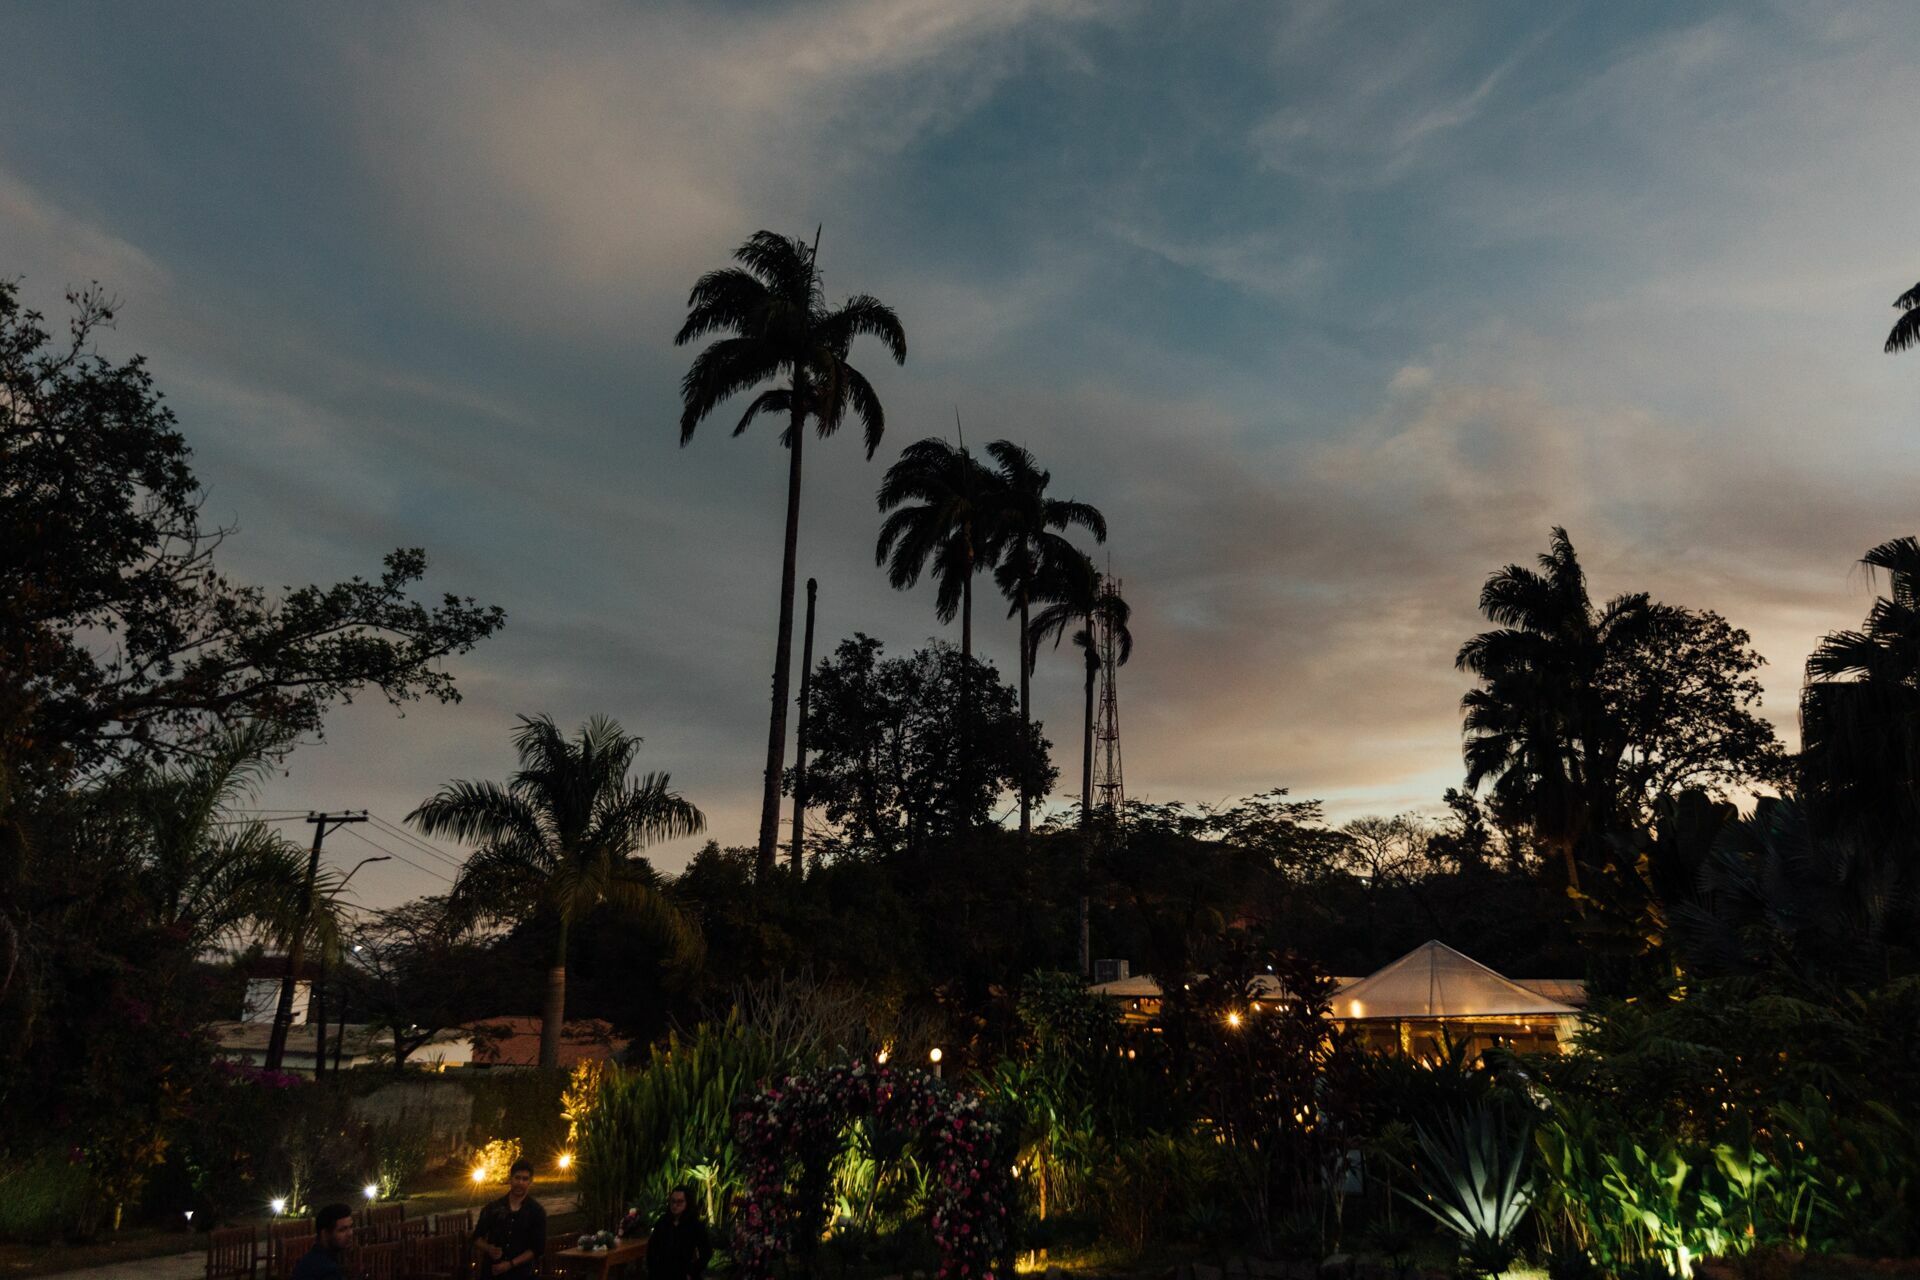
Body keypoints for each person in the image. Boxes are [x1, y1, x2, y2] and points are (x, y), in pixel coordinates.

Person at [473, 1159, 547, 1278]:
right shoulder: (493, 1208)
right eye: (517, 1178)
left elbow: (537, 1248)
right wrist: (489, 1248)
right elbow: (476, 1237)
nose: (520, 1182)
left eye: (525, 1179)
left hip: (520, 1274)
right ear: (510, 1179)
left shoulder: (536, 1212)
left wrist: (510, 1264)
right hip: (493, 1272)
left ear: (530, 1182)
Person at [647, 1185, 711, 1280]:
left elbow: (706, 1252)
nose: (675, 1205)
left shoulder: (695, 1225)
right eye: (673, 1201)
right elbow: (651, 1249)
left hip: (684, 1273)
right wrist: (653, 1271)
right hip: (661, 1273)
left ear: (687, 1203)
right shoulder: (662, 1222)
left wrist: (692, 1272)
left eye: (680, 1202)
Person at [291, 1203, 354, 1280]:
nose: (350, 1233)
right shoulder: (326, 1270)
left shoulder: (314, 1258)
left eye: (350, 1227)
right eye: (342, 1230)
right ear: (324, 1234)